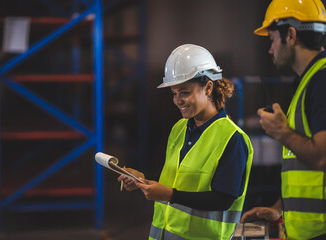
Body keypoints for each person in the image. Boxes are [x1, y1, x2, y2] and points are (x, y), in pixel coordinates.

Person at [118, 44, 254, 240]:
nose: (177, 100)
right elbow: (175, 182)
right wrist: (142, 181)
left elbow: (223, 199)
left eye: (184, 92)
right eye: (174, 93)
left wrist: (169, 195)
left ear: (208, 87)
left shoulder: (233, 138)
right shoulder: (179, 128)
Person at [240, 0, 326, 239]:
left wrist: (282, 132)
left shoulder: (321, 81)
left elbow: (322, 157)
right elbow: (306, 171)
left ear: (290, 35)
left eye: (272, 39)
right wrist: (279, 208)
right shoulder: (308, 82)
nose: (270, 49)